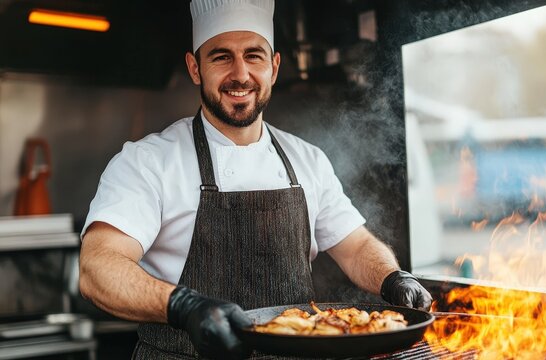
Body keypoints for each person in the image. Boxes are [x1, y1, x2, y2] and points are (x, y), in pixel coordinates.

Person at [78, 0, 432, 358]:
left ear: (274, 67)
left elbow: (355, 246)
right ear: (195, 68)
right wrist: (183, 306)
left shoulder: (306, 159)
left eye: (254, 55)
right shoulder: (148, 161)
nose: (240, 74)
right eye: (221, 57)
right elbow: (97, 268)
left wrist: (392, 278)